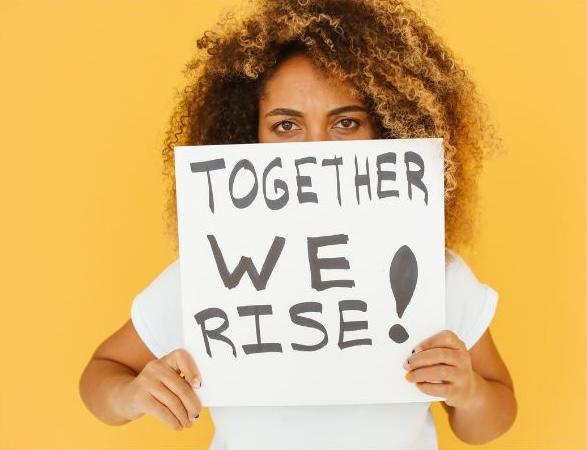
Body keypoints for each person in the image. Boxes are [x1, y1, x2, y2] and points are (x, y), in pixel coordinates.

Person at [79, 0, 517, 448]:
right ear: (248, 138)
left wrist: (471, 393)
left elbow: (495, 415)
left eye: (346, 122)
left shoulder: (428, 269)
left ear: (387, 129)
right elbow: (100, 375)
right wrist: (132, 395)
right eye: (286, 126)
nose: (316, 150)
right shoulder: (217, 273)